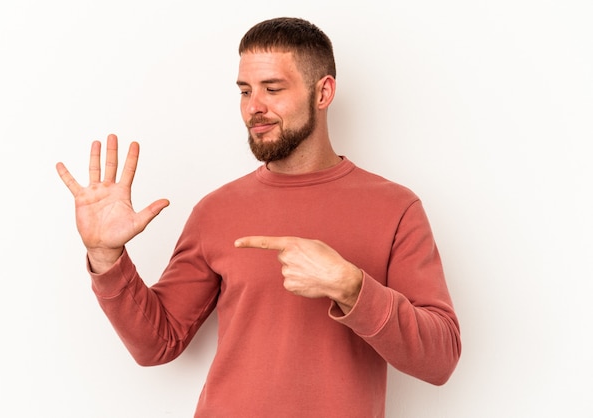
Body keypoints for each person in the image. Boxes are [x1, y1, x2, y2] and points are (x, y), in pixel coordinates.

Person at [56, 17, 461, 417]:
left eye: (273, 89)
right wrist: (107, 258)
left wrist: (352, 287)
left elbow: (440, 360)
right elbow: (157, 343)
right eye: (245, 90)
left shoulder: (395, 207)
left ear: (323, 92)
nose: (254, 107)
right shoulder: (217, 210)